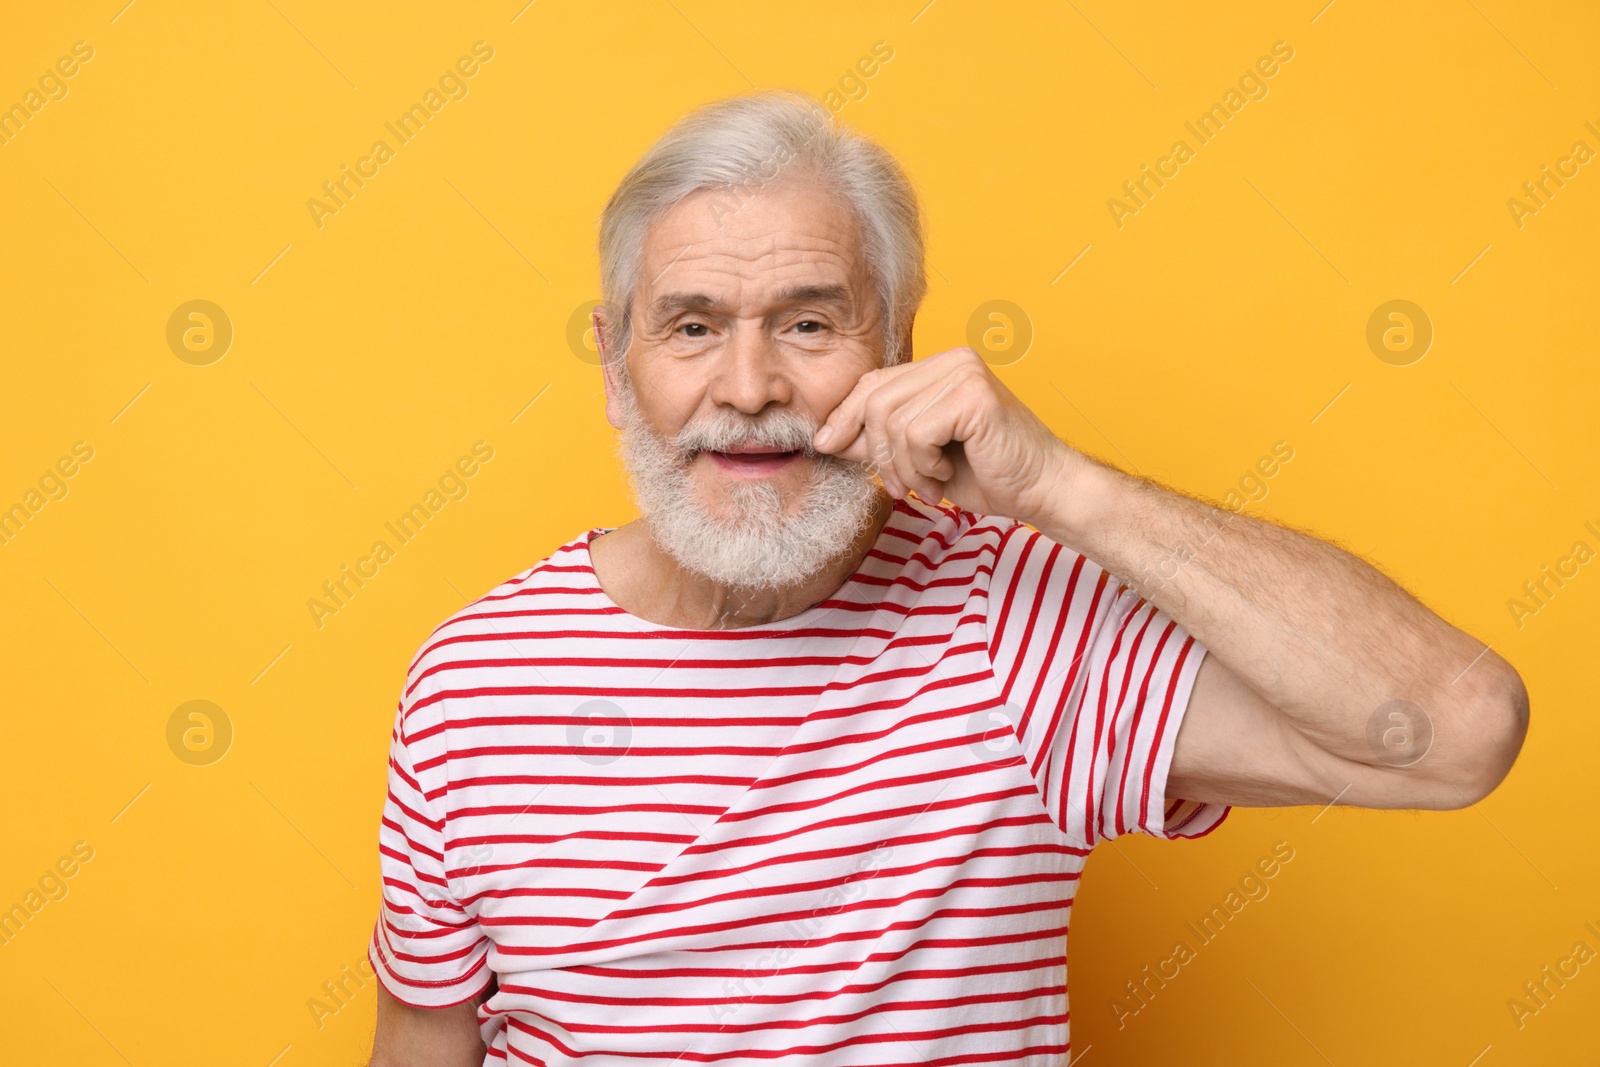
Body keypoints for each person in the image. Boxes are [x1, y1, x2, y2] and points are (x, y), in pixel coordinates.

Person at [363, 90, 1527, 1066]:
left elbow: (1455, 729)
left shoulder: (1016, 625)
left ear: (900, 351)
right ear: (619, 367)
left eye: (811, 323)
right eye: (692, 327)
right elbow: (421, 1042)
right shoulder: (475, 678)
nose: (752, 383)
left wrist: (1068, 487)